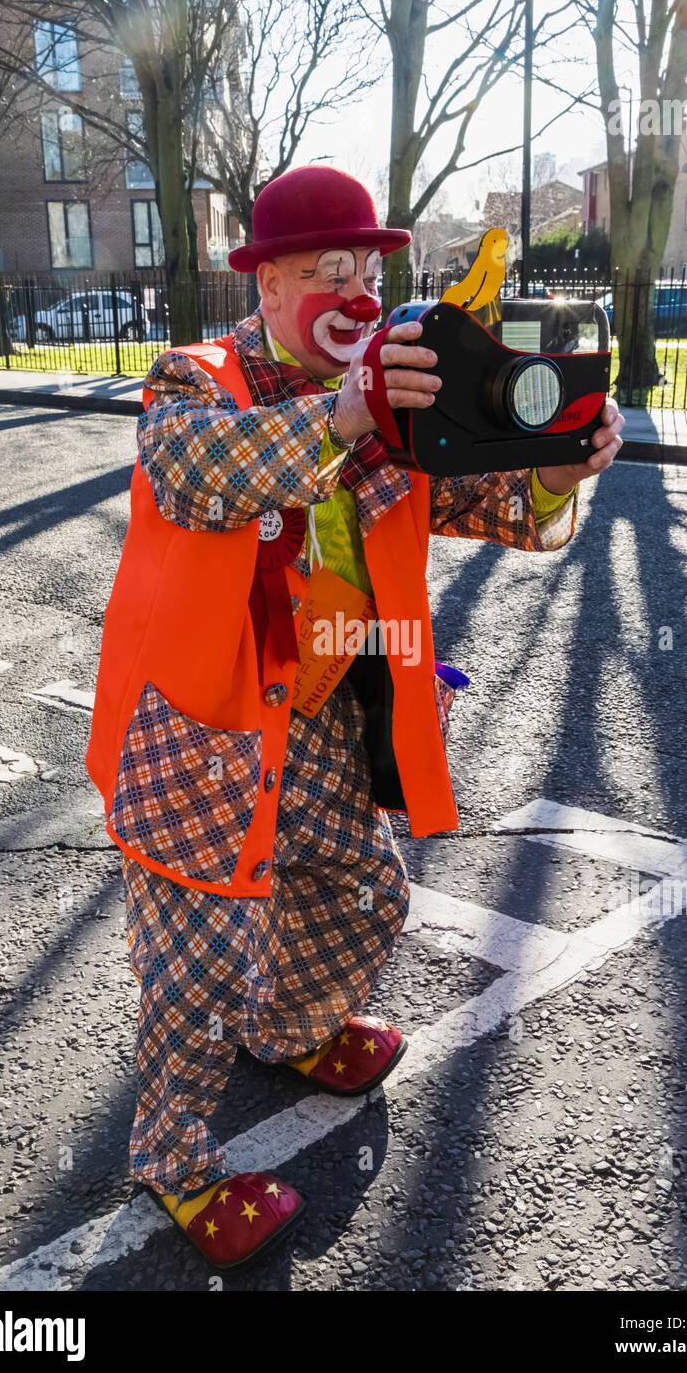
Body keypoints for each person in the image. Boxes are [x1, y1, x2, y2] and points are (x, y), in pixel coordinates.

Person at [86, 165, 624, 1272]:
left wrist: (562, 463)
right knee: (198, 971)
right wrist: (342, 411)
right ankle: (174, 1158)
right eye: (325, 272)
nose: (355, 292)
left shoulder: (392, 395)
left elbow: (495, 506)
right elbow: (193, 476)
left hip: (319, 716)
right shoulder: (194, 380)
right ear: (268, 286)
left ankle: (286, 1033)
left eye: (367, 271)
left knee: (366, 889)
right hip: (199, 731)